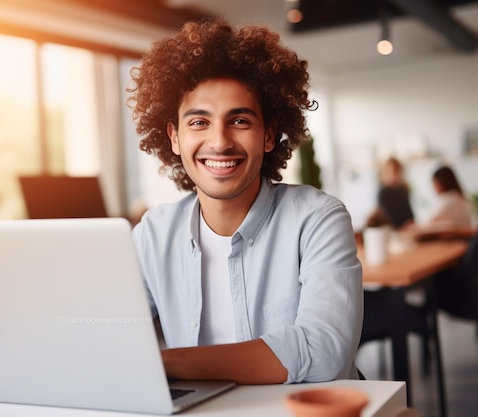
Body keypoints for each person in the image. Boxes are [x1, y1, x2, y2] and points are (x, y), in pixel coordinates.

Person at [127, 18, 363, 385]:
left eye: (239, 121)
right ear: (174, 137)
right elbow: (109, 332)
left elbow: (323, 352)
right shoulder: (153, 234)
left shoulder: (318, 219)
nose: (219, 142)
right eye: (198, 123)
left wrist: (163, 362)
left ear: (269, 135)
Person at [376, 157, 415, 229]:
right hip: (393, 231)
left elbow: (409, 213)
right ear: (386, 172)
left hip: (408, 229)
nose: (396, 174)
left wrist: (411, 223)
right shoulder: (383, 193)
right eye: (393, 170)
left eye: (397, 170)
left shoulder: (402, 189)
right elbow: (388, 217)